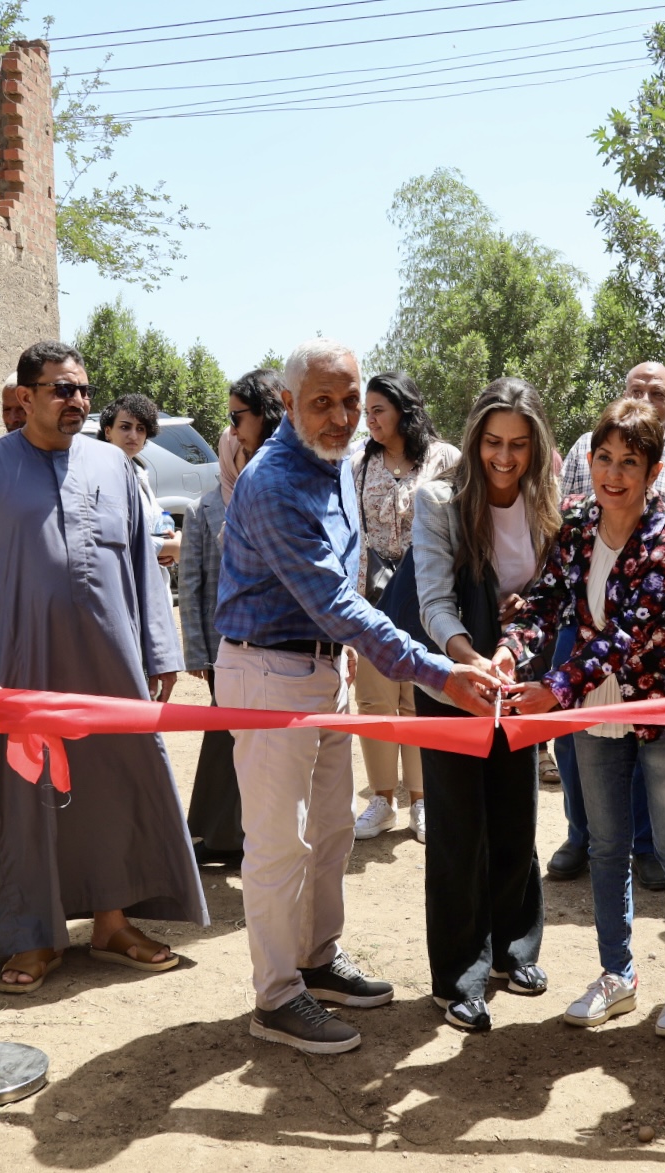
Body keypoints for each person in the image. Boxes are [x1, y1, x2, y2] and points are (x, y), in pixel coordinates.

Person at [214, 338, 499, 1054]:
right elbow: (337, 600)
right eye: (323, 402)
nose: (343, 416)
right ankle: (276, 996)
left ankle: (316, 959)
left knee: (332, 830)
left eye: (350, 400)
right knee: (280, 844)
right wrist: (436, 670)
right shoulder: (276, 481)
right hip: (266, 672)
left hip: (319, 671)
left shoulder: (336, 464)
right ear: (287, 404)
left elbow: (352, 577)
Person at [0, 340, 206, 994]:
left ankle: (112, 923)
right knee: (26, 799)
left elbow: (142, 562)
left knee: (113, 788)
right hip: (20, 668)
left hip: (111, 669)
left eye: (82, 389)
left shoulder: (114, 465)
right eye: (62, 390)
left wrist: (159, 649)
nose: (77, 401)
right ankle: (35, 935)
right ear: (25, 397)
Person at [497, 398, 665, 1036]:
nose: (613, 473)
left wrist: (553, 690)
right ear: (590, 461)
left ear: (653, 468)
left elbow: (628, 636)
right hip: (592, 706)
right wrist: (513, 647)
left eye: (629, 462)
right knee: (608, 847)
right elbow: (546, 600)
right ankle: (617, 975)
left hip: (661, 705)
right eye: (604, 458)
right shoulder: (579, 525)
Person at [412, 378, 559, 1031]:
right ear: (474, 441)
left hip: (518, 681)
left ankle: (513, 949)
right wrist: (465, 658)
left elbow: (551, 597)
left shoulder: (548, 503)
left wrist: (517, 651)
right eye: (493, 442)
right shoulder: (438, 502)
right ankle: (457, 976)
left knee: (514, 815)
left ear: (536, 447)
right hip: (453, 680)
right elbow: (433, 599)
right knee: (455, 829)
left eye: (518, 445)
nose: (504, 457)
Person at [551, 362, 665, 889]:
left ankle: (646, 848)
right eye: (636, 388)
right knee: (579, 750)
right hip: (581, 639)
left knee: (659, 783)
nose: (614, 473)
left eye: (658, 391)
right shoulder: (584, 449)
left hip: (653, 653)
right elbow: (568, 537)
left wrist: (645, 583)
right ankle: (582, 834)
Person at [180, 369, 286, 860]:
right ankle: (215, 833)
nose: (242, 452)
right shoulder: (206, 508)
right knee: (226, 741)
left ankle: (250, 837)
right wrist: (198, 652)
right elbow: (193, 584)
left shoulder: (275, 492)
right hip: (227, 648)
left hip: (274, 646)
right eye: (236, 447)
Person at [350, 371, 460, 843]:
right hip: (371, 597)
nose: (369, 420)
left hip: (429, 593)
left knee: (420, 696)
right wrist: (350, 608)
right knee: (375, 699)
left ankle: (422, 800)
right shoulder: (357, 464)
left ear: (404, 410)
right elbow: (352, 536)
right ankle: (381, 799)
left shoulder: (446, 458)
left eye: (379, 410)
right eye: (367, 412)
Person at [98, 393, 180, 571]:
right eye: (125, 427)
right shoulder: (99, 475)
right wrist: (170, 548)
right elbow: (110, 540)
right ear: (108, 431)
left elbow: (156, 524)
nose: (133, 435)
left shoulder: (139, 473)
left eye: (141, 429)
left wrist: (173, 541)